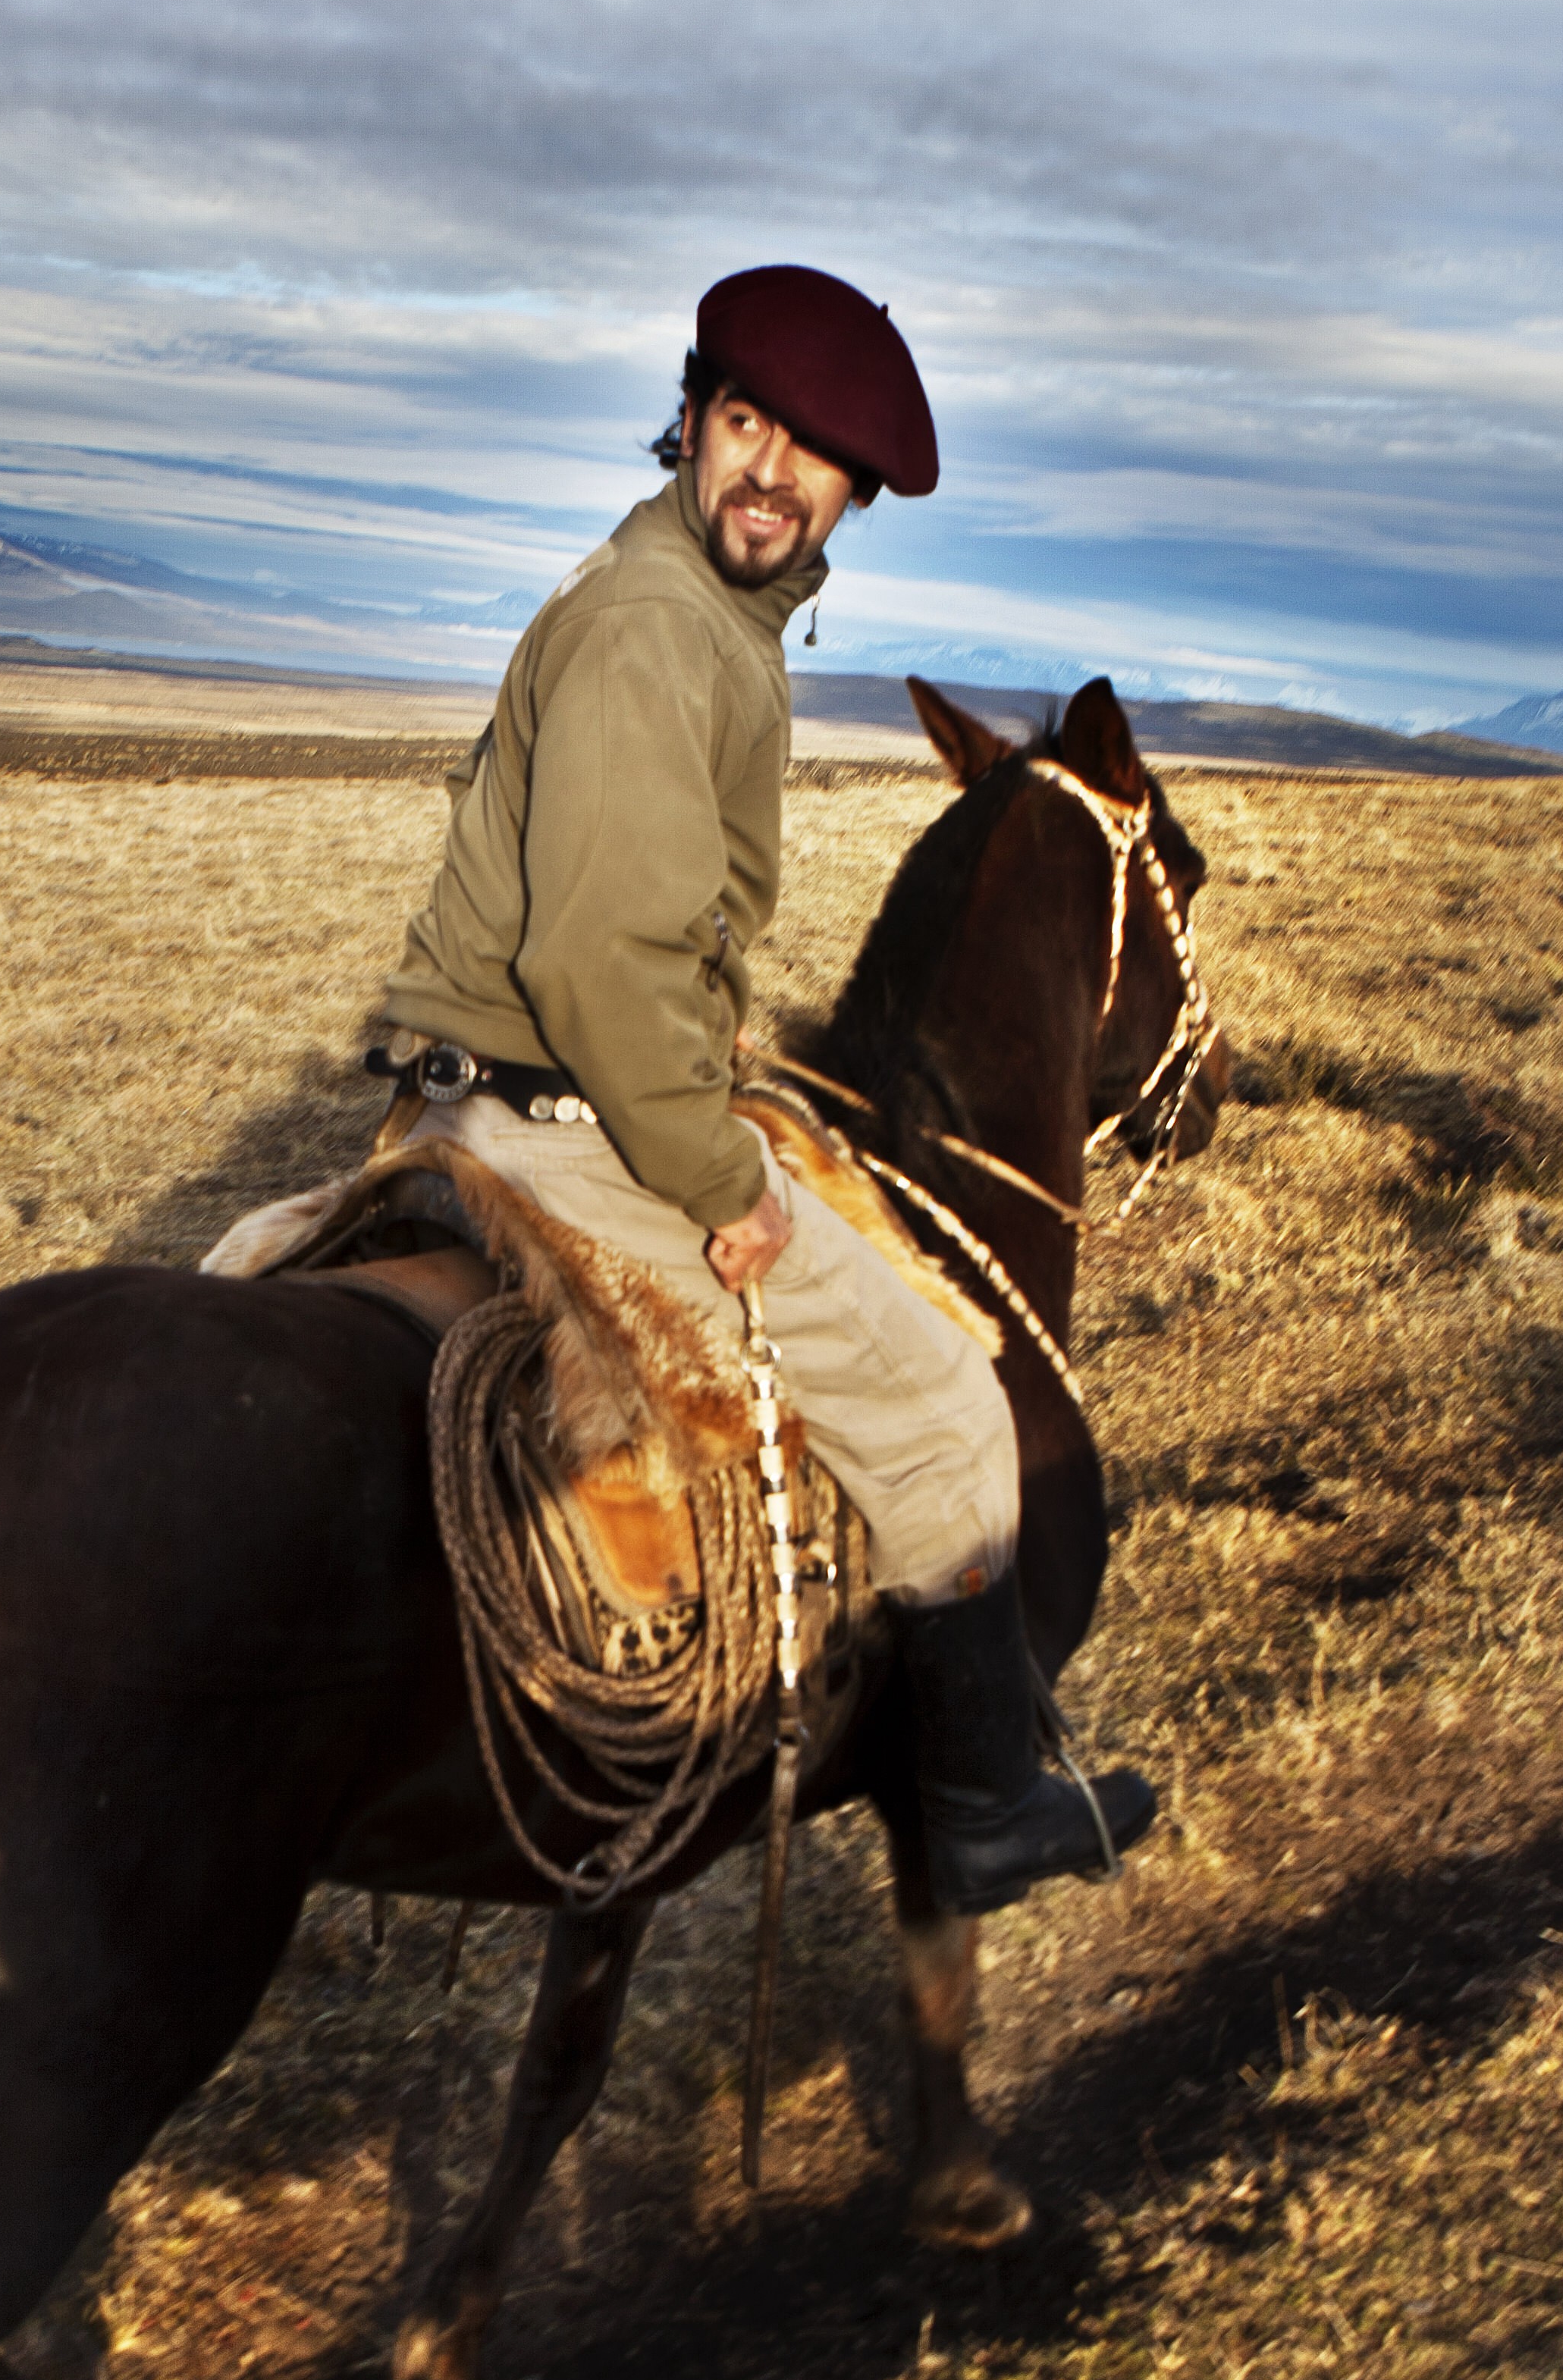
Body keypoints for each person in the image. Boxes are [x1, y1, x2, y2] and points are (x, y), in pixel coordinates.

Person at [369, 263, 1153, 1915]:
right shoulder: (664, 631)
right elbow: (601, 966)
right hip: (567, 1117)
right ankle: (984, 1807)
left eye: (813, 458)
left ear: (852, 497)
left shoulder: (694, 611)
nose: (770, 475)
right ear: (691, 419)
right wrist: (724, 1186)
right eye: (745, 425)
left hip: (515, 1086)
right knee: (948, 1403)